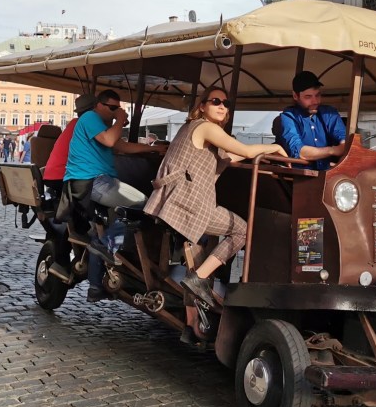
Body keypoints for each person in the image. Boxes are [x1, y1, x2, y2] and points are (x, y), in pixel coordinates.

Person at [145, 87, 286, 307]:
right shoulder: (206, 127)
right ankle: (199, 278)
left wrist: (261, 153)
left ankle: (198, 292)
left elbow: (230, 156)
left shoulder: (193, 127)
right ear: (202, 106)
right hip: (189, 202)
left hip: (178, 200)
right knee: (242, 231)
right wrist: (275, 147)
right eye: (216, 102)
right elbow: (246, 151)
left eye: (226, 103)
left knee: (231, 231)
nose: (222, 107)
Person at [64, 89, 166, 302]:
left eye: (118, 108)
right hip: (91, 182)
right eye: (112, 108)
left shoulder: (100, 126)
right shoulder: (90, 117)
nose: (115, 112)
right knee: (144, 204)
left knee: (99, 231)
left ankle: (95, 287)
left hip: (93, 182)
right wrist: (120, 119)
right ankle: (108, 244)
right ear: (98, 105)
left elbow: (122, 146)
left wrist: (152, 149)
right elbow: (111, 141)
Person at [278, 70, 346, 170]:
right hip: (299, 176)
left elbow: (343, 137)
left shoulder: (329, 113)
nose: (315, 101)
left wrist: (344, 143)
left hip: (328, 174)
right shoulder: (289, 117)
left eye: (317, 95)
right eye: (308, 97)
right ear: (295, 96)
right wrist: (333, 150)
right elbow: (299, 151)